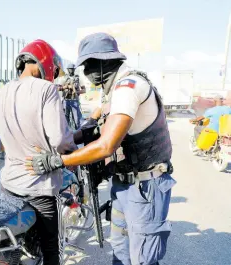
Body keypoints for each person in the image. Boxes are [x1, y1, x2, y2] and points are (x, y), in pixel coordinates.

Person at [25, 33, 176, 265]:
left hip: (145, 188)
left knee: (142, 259)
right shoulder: (116, 89)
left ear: (106, 62)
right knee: (121, 252)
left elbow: (106, 146)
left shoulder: (129, 87)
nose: (87, 72)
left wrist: (59, 161)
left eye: (91, 65)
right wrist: (63, 141)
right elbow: (95, 122)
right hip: (125, 185)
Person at [0, 39, 77, 265]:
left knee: (10, 244)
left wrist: (6, 145)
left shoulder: (0, 93)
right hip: (39, 187)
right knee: (51, 247)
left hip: (9, 185)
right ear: (47, 63)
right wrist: (72, 153)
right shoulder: (47, 89)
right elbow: (60, 140)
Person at [57, 63, 86, 130]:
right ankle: (66, 134)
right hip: (66, 101)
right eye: (69, 69)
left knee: (77, 119)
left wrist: (77, 92)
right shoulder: (64, 78)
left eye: (72, 69)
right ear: (67, 70)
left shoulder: (78, 78)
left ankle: (78, 134)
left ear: (74, 69)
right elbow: (58, 88)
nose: (71, 71)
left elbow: (84, 90)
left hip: (74, 101)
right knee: (65, 120)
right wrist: (66, 87)